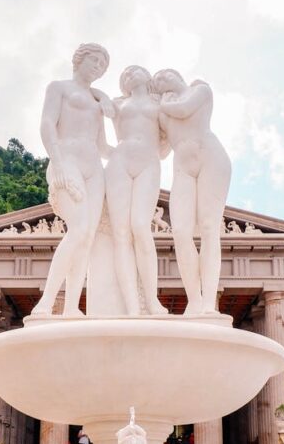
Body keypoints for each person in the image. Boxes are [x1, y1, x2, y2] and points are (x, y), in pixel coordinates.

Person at [29, 43, 112, 317]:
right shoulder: (59, 87)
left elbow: (103, 147)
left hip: (93, 167)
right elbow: (47, 124)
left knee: (87, 237)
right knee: (77, 230)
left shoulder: (99, 102)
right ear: (80, 59)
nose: (98, 67)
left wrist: (141, 149)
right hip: (67, 161)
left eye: (103, 65)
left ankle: (72, 307)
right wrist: (59, 163)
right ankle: (46, 302)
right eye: (95, 60)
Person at [153, 68, 231, 316]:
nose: (162, 83)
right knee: (180, 231)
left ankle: (208, 301)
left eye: (164, 77)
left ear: (176, 75)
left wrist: (162, 103)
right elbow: (161, 150)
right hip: (182, 167)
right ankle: (194, 300)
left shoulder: (199, 90)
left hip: (210, 157)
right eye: (157, 83)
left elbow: (184, 110)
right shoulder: (164, 112)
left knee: (209, 228)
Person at [102, 64, 168, 315]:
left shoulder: (160, 103)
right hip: (120, 160)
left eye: (134, 70)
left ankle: (152, 300)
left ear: (147, 76)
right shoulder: (118, 103)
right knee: (121, 232)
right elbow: (92, 96)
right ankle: (132, 306)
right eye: (125, 73)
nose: (129, 73)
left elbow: (167, 143)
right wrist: (102, 96)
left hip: (149, 161)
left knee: (141, 226)